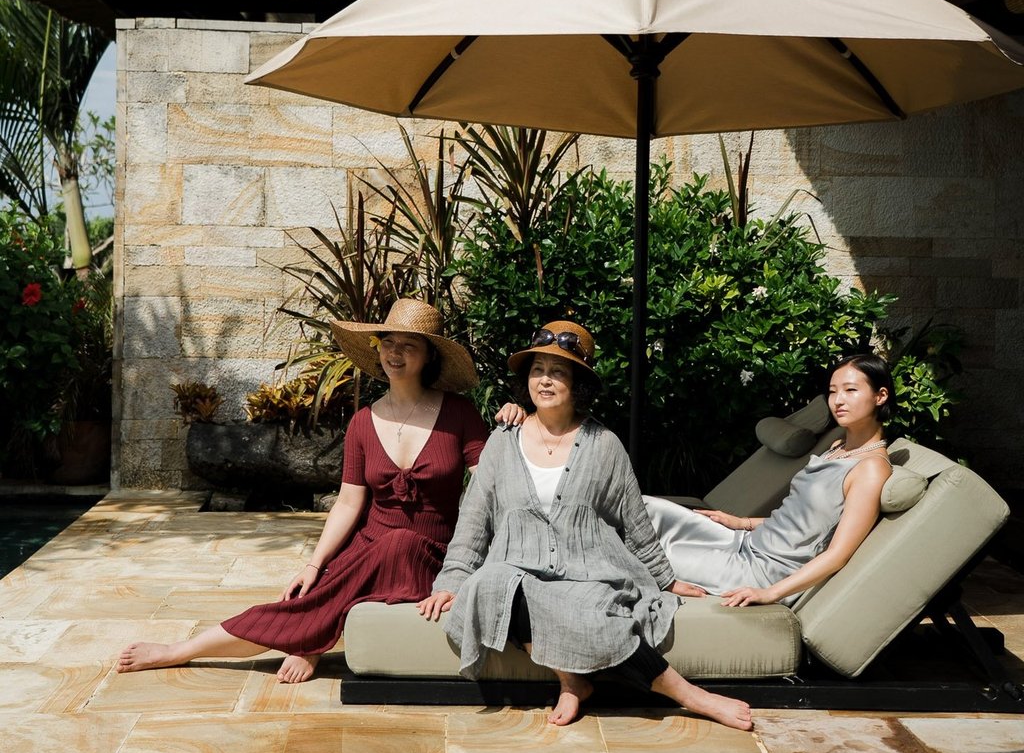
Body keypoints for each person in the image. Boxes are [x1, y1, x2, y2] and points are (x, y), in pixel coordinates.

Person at [118, 299, 487, 683]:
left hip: (433, 552)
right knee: (299, 599)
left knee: (399, 546)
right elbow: (348, 502)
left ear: (429, 355)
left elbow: (489, 486)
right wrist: (314, 564)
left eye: (409, 345)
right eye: (388, 342)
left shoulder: (460, 414)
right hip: (370, 548)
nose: (395, 353)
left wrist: (518, 424)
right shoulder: (363, 422)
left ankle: (312, 642)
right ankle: (182, 651)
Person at [417, 320, 753, 731]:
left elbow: (635, 519)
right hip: (519, 569)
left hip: (590, 571)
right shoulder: (503, 441)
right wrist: (452, 578)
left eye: (558, 372)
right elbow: (474, 518)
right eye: (537, 370)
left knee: (593, 612)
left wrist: (665, 580)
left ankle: (690, 696)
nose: (545, 380)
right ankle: (572, 680)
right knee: (492, 586)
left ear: (578, 384)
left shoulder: (603, 444)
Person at [644, 353, 894, 608]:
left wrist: (770, 593)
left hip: (762, 570)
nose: (838, 401)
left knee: (649, 555)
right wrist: (743, 523)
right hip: (745, 543)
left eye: (850, 390)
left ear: (880, 396)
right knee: (644, 509)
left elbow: (837, 554)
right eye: (832, 391)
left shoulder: (870, 469)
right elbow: (802, 521)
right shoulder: (838, 446)